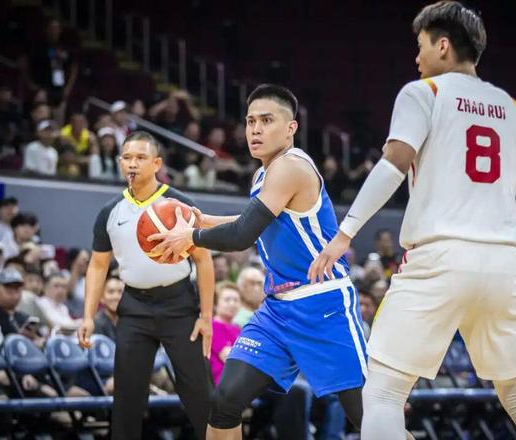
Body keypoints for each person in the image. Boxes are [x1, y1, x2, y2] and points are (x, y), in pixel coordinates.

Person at [308, 2, 516, 439]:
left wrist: (345, 234)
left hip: (439, 258)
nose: (416, 58)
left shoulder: (423, 93)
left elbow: (392, 164)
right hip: (504, 267)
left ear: (443, 45)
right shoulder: (515, 110)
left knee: (383, 393)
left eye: (421, 46)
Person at [149, 85, 369, 440]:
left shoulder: (291, 167)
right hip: (278, 310)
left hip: (322, 303)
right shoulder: (263, 174)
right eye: (251, 121)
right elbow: (254, 222)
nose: (255, 129)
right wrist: (204, 221)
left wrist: (190, 237)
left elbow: (241, 235)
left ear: (291, 128)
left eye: (266, 121)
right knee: (225, 401)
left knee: (369, 420)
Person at [76, 131, 214, 440]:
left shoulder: (180, 204)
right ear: (119, 163)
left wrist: (206, 316)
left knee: (200, 393)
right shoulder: (110, 212)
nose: (132, 164)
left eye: (140, 157)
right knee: (126, 399)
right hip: (134, 306)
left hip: (179, 305)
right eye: (127, 157)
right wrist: (88, 316)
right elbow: (97, 266)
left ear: (157, 163)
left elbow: (204, 261)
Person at [210, 281, 242, 384]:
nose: (232, 304)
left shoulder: (237, 328)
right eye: (227, 300)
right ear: (215, 304)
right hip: (224, 382)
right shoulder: (213, 326)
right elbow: (229, 357)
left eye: (236, 300)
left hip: (239, 379)